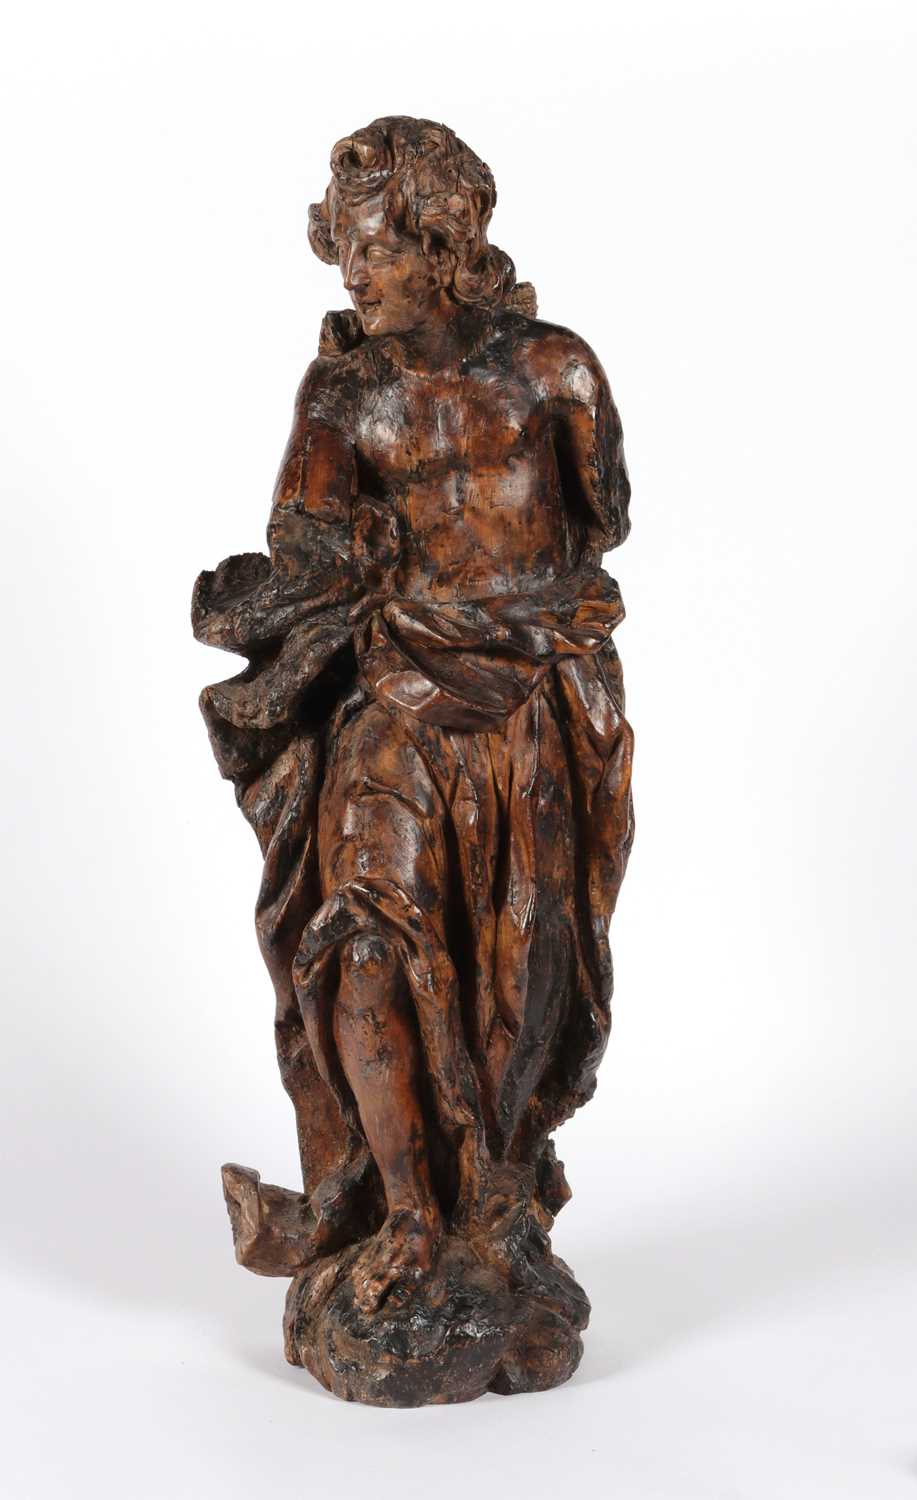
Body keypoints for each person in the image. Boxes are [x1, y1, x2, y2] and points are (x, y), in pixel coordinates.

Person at [193, 117, 634, 1317]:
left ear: (441, 245)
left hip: (527, 705)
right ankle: (400, 1214)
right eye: (341, 247)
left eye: (375, 247)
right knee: (359, 940)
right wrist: (272, 595)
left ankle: (495, 1213)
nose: (352, 273)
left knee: (522, 973)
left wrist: (505, 603)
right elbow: (307, 544)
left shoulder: (554, 369)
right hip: (392, 694)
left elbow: (600, 521)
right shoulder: (341, 391)